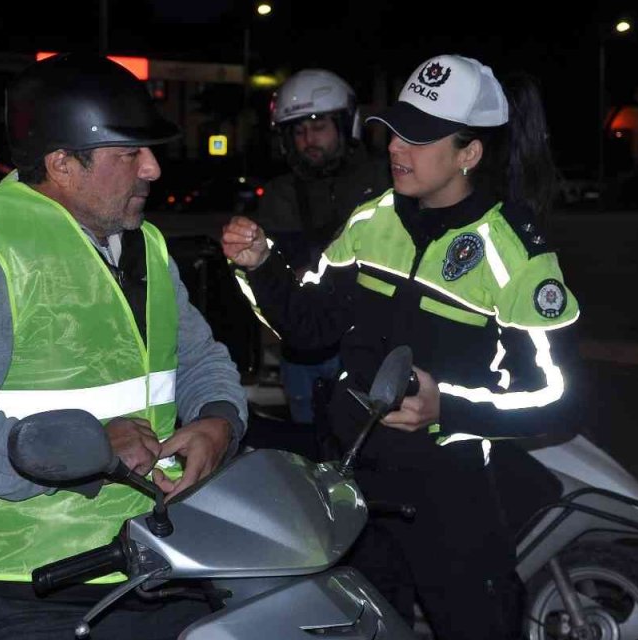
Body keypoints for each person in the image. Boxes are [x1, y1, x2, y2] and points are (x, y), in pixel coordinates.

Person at [0, 53, 248, 640]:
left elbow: (199, 358)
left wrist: (218, 422)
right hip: (23, 589)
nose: (153, 168)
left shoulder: (141, 245)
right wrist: (93, 451)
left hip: (149, 564)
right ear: (61, 163)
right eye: (129, 153)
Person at [222, 54, 579, 638]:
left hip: (450, 495)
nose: (395, 147)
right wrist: (260, 266)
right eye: (395, 131)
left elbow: (559, 399)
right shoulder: (371, 221)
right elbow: (309, 328)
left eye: (419, 137)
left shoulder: (516, 254)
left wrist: (447, 409)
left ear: (468, 153)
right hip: (354, 484)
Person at [256, 68, 391, 439]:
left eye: (318, 127)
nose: (308, 140)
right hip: (305, 351)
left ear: (346, 125)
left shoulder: (384, 181)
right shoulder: (280, 194)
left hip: (373, 346)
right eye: (298, 131)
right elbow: (279, 275)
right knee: (310, 450)